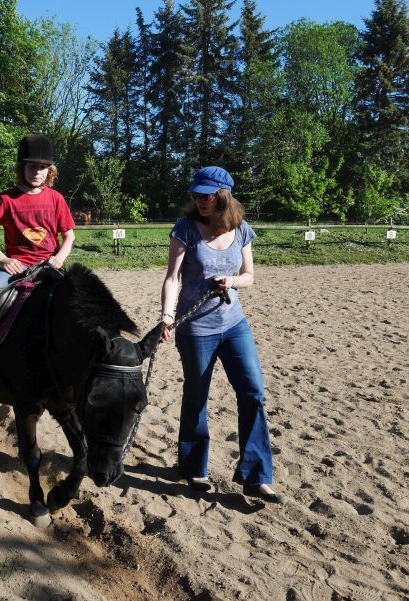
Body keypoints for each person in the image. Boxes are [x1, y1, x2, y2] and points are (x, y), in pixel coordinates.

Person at [159, 166, 285, 503]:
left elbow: (249, 276)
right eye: (195, 195)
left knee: (253, 393)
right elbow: (172, 278)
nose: (199, 200)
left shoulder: (241, 228)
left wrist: (230, 282)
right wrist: (167, 317)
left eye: (207, 195)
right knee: (197, 395)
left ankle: (257, 476)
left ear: (223, 195)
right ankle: (192, 466)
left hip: (233, 324)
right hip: (195, 328)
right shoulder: (185, 228)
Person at [0, 133, 76, 400]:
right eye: (32, 166)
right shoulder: (6, 200)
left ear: (50, 170)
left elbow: (69, 236)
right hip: (17, 267)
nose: (37, 172)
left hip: (49, 266)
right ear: (21, 168)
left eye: (43, 167)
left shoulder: (56, 199)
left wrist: (59, 258)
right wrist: (3, 259)